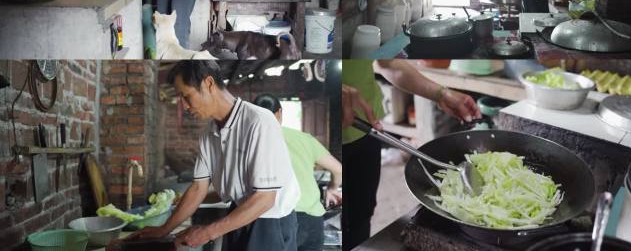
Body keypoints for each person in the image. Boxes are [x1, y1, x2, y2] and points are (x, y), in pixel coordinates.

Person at [128, 61, 300, 250]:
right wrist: (164, 229)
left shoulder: (259, 121)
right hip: (239, 212)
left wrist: (208, 232)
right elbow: (198, 188)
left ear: (208, 83)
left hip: (269, 222)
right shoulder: (209, 133)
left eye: (186, 96)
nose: (184, 106)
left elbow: (265, 199)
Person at [341, 60, 481, 250]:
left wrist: (441, 94)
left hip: (366, 128)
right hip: (327, 138)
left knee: (360, 216)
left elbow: (387, 63)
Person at [254, 93, 343, 251]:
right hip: (311, 219)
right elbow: (338, 169)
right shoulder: (303, 138)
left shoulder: (251, 142)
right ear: (280, 113)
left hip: (276, 219)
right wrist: (332, 188)